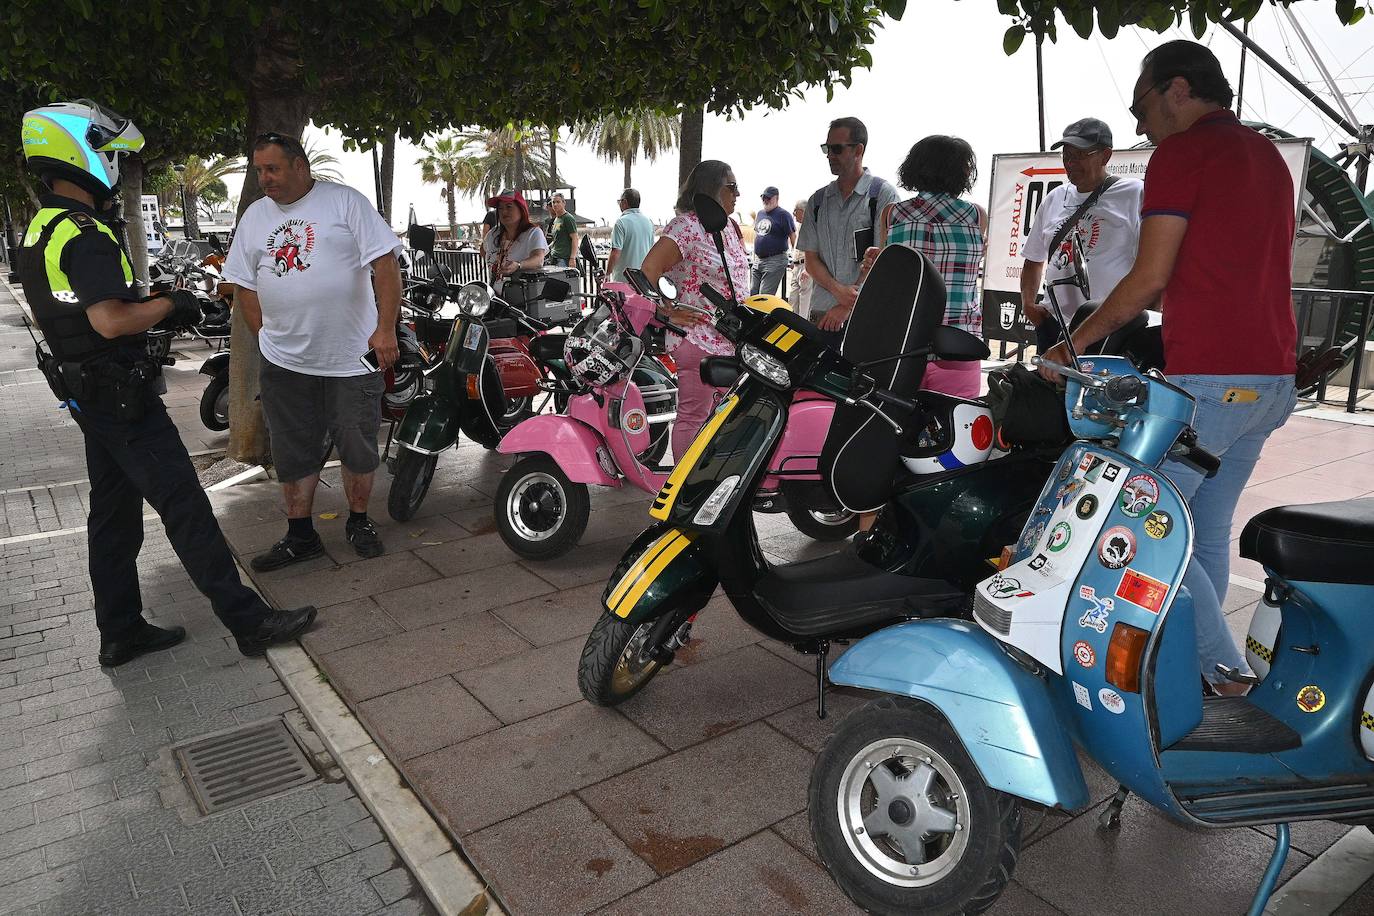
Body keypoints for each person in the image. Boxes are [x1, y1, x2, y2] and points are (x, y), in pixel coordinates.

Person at [17, 101, 315, 666]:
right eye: (106, 153)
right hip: (121, 398)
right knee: (185, 507)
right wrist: (168, 304)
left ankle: (120, 630)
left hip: (89, 394)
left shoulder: (41, 226)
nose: (112, 163)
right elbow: (109, 319)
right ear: (77, 152)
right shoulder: (85, 234)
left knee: (112, 516)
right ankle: (248, 622)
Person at [1041, 41, 1298, 695]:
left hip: (1215, 378)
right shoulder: (1266, 155)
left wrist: (1068, 349)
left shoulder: (1184, 153)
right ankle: (1204, 668)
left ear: (1178, 90)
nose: (1139, 124)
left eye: (1143, 105)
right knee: (1202, 530)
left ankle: (1227, 676)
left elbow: (1147, 281)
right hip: (1271, 379)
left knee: (1142, 525)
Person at [224, 132, 404, 570]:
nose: (265, 179)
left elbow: (385, 263)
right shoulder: (255, 216)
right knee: (292, 448)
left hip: (349, 357)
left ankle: (359, 520)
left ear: (300, 165)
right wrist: (263, 333)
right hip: (285, 362)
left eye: (273, 169)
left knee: (357, 443)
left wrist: (385, 329)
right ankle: (300, 534)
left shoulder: (344, 202)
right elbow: (242, 283)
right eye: (259, 170)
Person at [641, 160, 748, 460]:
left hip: (728, 340)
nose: (738, 193)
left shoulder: (730, 227)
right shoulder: (686, 226)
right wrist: (666, 312)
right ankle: (684, 494)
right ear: (710, 188)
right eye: (732, 186)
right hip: (698, 339)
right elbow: (648, 270)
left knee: (719, 420)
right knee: (693, 417)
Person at [875, 135, 988, 399]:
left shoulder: (892, 215)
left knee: (893, 427)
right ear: (962, 172)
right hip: (958, 344)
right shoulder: (976, 217)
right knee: (955, 429)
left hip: (901, 342)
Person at [1021, 119, 1143, 351]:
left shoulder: (1134, 193)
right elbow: (1033, 259)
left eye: (1081, 155)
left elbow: (1153, 265)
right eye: (1066, 155)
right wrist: (1028, 304)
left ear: (1106, 156)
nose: (1071, 162)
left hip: (1109, 327)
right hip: (1054, 324)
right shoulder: (1054, 197)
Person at [797, 117, 901, 347]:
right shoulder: (818, 201)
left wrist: (846, 306)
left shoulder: (882, 196)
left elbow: (884, 261)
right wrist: (838, 291)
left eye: (836, 148)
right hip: (822, 316)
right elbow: (811, 260)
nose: (829, 155)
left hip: (865, 319)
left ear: (859, 150)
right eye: (826, 148)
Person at [481, 190, 547, 287]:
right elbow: (482, 250)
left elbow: (538, 259)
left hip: (522, 294)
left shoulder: (533, 233)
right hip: (495, 295)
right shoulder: (493, 234)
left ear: (521, 209)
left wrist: (518, 265)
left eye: (509, 207)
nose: (504, 211)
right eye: (500, 208)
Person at [751, 186, 796, 297]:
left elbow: (793, 236)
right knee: (752, 293)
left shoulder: (783, 215)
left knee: (764, 296)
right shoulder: (760, 213)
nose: (766, 200)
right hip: (758, 260)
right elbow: (757, 234)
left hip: (775, 260)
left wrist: (794, 259)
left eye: (769, 198)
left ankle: (763, 314)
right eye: (764, 198)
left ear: (776, 198)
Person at [606, 188, 654, 282]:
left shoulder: (621, 222)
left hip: (624, 278)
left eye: (619, 201)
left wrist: (608, 273)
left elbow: (615, 252)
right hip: (643, 279)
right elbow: (652, 251)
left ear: (624, 202)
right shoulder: (649, 222)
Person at [788, 200, 812, 314]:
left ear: (802, 211)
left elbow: (814, 249)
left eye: (795, 211)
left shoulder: (812, 226)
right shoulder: (801, 227)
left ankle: (803, 331)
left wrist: (808, 269)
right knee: (792, 302)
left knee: (804, 305)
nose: (793, 214)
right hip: (797, 266)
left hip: (805, 267)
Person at [546, 193, 578, 268]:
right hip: (554, 257)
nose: (555, 204)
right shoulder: (556, 219)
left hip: (564, 259)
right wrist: (545, 249)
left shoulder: (568, 218)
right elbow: (556, 239)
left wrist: (572, 258)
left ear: (564, 203)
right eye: (553, 202)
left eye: (558, 202)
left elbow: (575, 238)